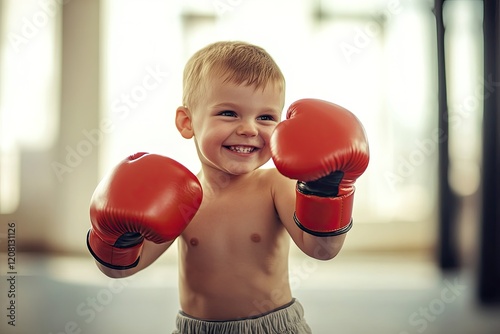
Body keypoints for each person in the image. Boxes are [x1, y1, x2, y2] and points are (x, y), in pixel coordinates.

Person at [86, 41, 370, 333]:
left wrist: (325, 188)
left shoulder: (275, 185)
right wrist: (117, 237)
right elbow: (119, 269)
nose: (249, 129)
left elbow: (322, 250)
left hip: (272, 327)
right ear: (187, 122)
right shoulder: (179, 197)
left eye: (265, 117)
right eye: (229, 113)